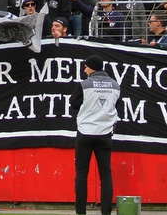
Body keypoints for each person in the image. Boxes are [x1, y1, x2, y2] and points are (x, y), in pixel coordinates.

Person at [71, 54, 120, 215]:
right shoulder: (115, 85)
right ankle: (106, 212)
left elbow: (73, 103)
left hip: (85, 132)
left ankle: (80, 211)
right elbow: (116, 105)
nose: (84, 69)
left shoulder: (84, 85)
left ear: (91, 67)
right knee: (105, 174)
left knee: (82, 173)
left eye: (85, 66)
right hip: (105, 133)